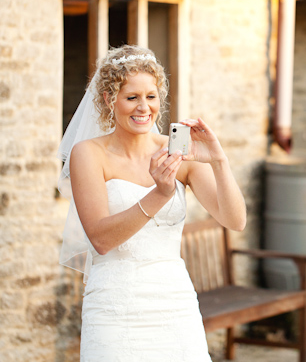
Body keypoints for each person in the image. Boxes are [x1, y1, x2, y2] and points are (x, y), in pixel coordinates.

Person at [57, 44, 247, 361]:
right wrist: (160, 193)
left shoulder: (176, 152)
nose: (143, 107)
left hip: (175, 304)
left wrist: (218, 161)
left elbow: (235, 220)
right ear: (109, 99)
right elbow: (102, 240)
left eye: (151, 96)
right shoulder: (88, 154)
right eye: (132, 97)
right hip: (114, 307)